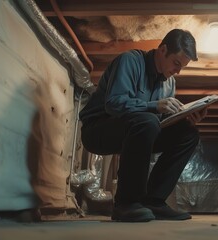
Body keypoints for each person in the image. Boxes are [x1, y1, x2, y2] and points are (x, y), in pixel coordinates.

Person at [79, 29, 204, 222]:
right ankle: (126, 203)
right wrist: (154, 106)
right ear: (162, 50)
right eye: (176, 63)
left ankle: (153, 201)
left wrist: (184, 119)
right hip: (98, 130)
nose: (178, 71)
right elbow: (114, 103)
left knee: (188, 134)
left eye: (182, 67)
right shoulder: (130, 61)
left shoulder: (169, 83)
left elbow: (160, 123)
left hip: (140, 129)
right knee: (147, 119)